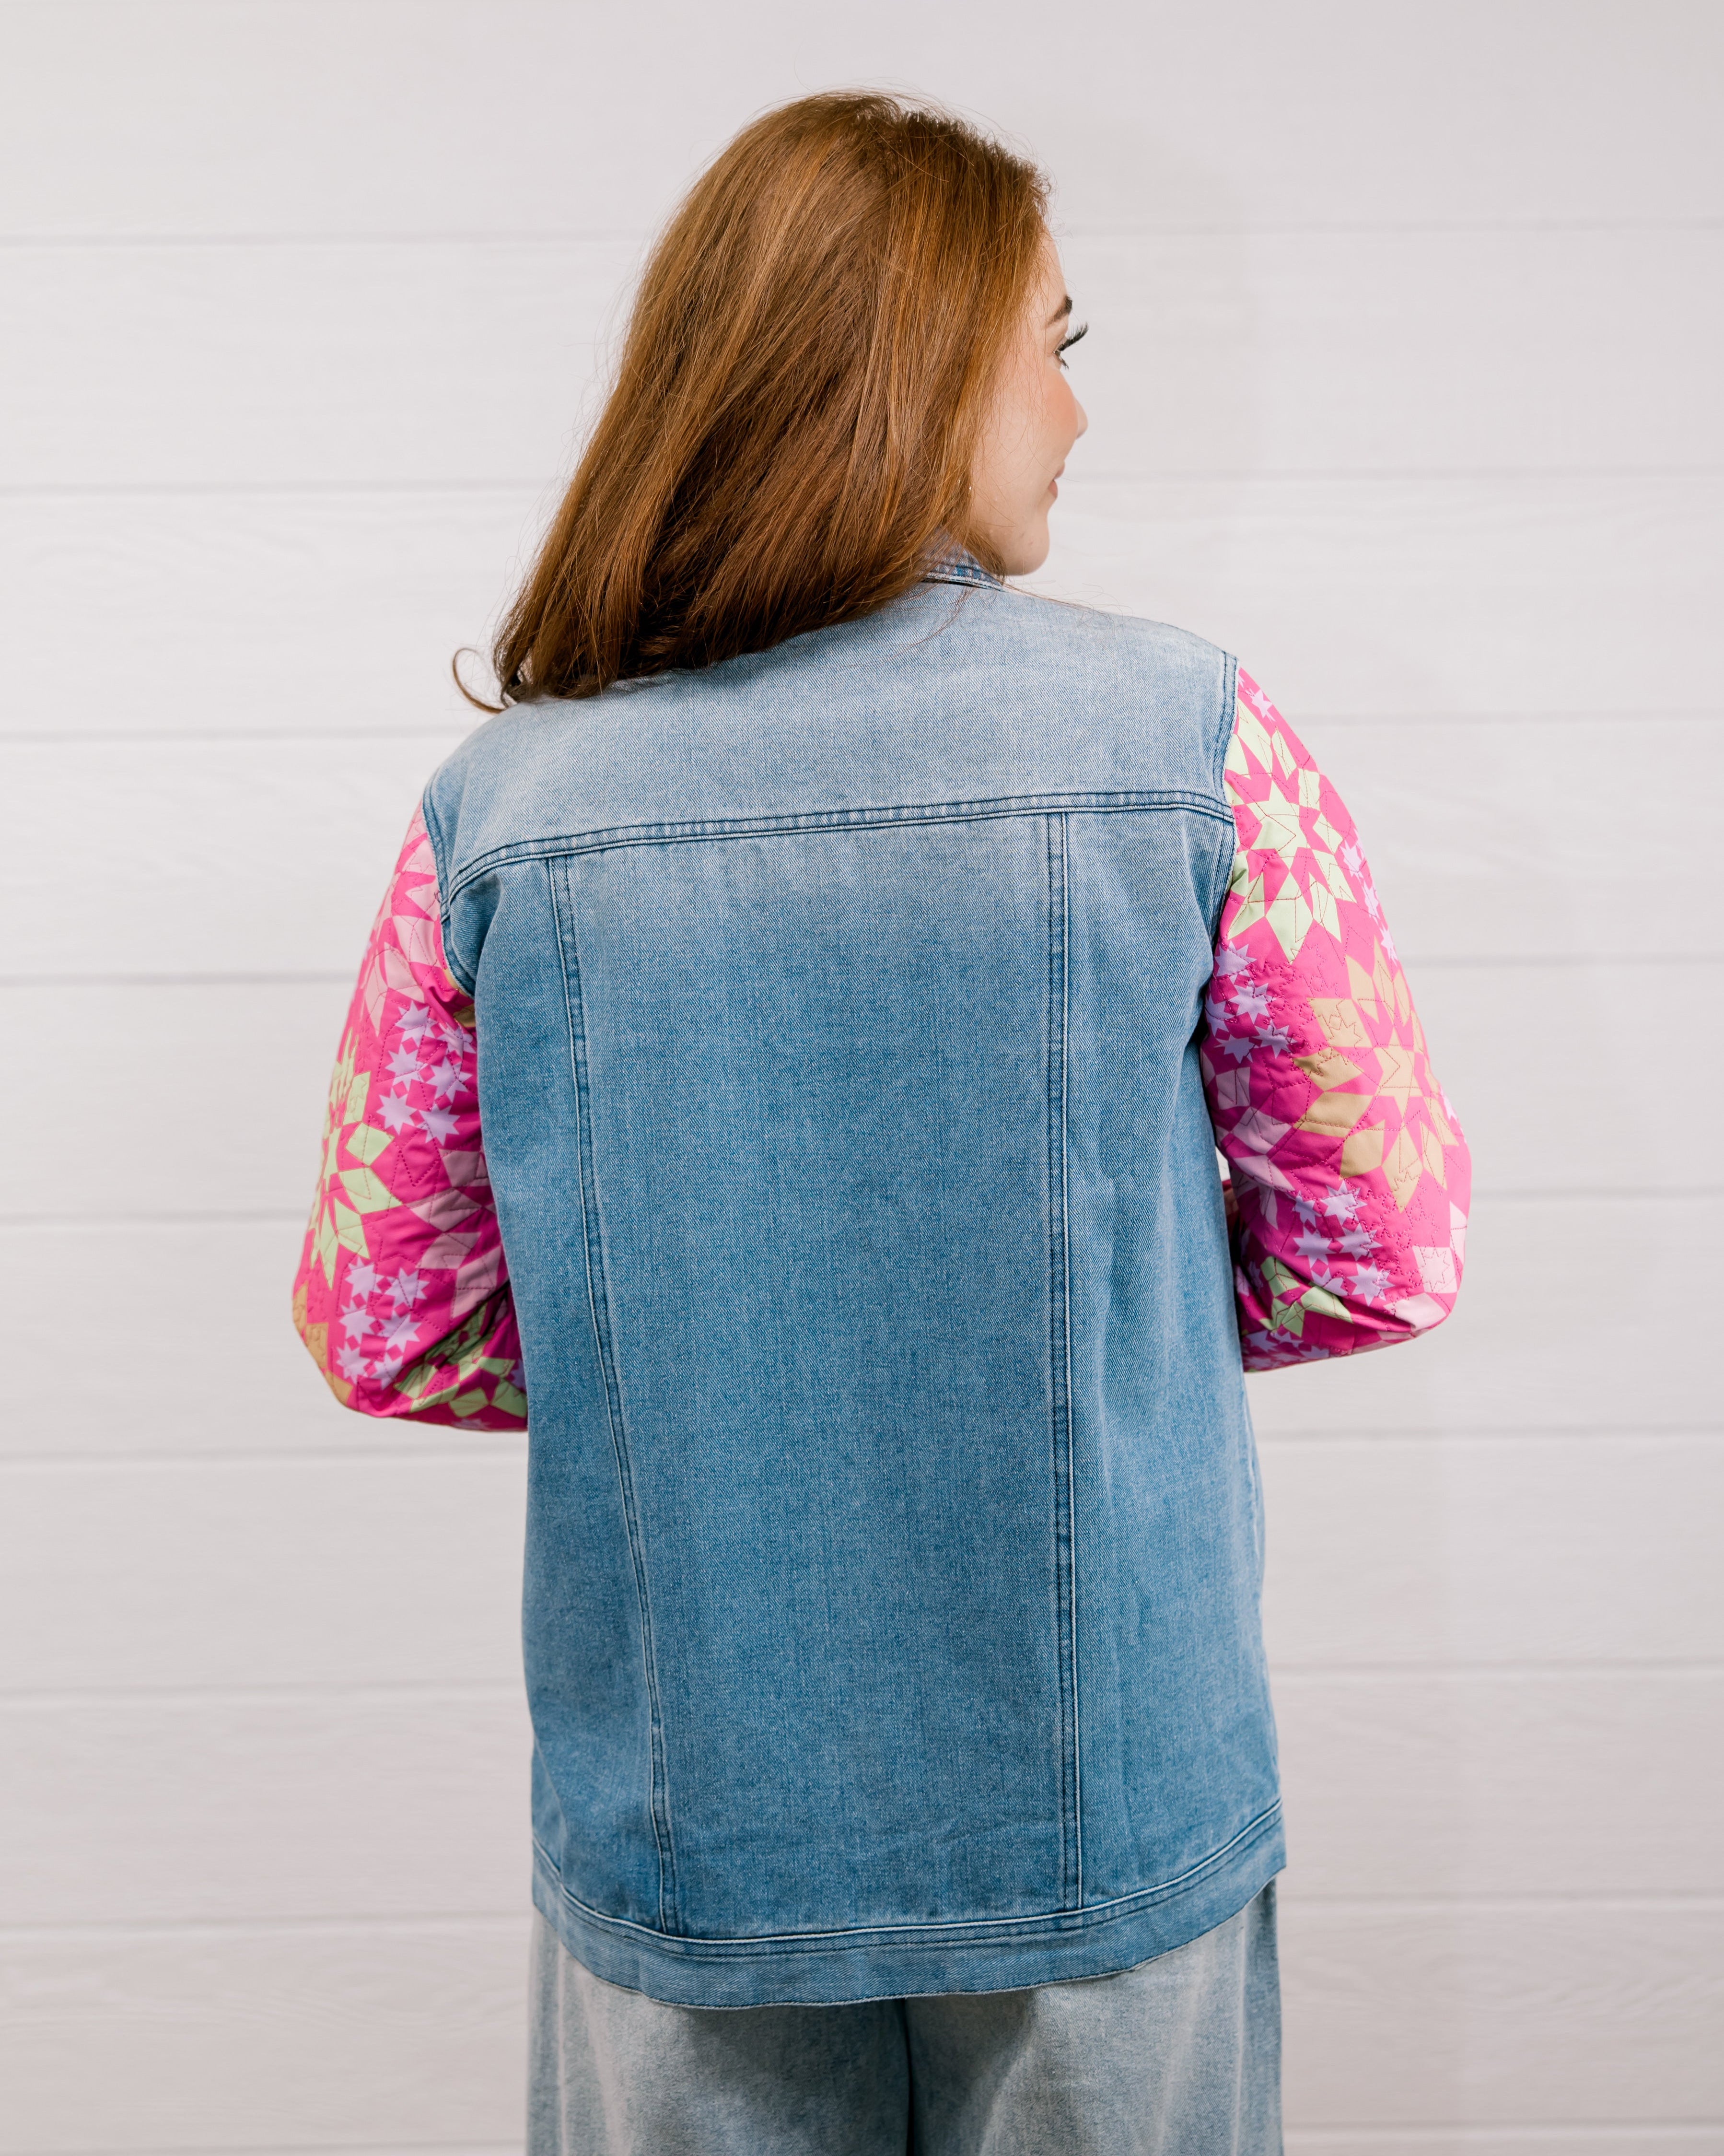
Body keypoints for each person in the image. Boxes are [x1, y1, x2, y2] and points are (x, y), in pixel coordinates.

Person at [292, 90, 1468, 2156]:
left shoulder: (500, 815)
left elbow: (394, 1317)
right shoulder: (1189, 736)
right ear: (920, 366)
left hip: (689, 1807)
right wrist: (1087, 1326)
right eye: (1058, 343)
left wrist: (697, 1352)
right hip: (1110, 1788)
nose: (1077, 418)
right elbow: (1379, 1244)